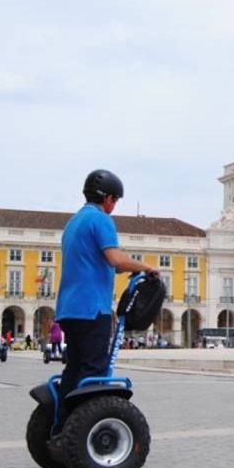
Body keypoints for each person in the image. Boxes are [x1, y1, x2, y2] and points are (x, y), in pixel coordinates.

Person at [54, 169, 158, 431]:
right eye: (116, 201)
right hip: (92, 309)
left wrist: (128, 267)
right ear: (109, 198)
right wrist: (145, 267)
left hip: (68, 309)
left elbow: (105, 263)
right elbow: (114, 258)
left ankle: (61, 427)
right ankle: (81, 433)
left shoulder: (74, 222)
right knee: (93, 373)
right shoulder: (101, 220)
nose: (114, 206)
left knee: (73, 370)